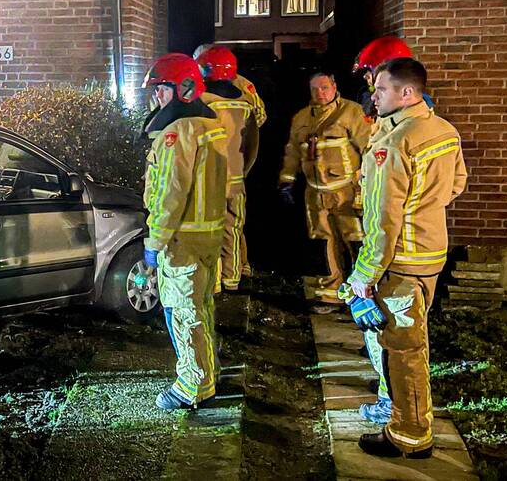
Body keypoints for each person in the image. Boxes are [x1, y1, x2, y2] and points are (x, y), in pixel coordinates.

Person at [349, 58, 467, 459]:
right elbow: (457, 184)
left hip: (401, 261)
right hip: (432, 254)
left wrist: (363, 277)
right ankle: (412, 425)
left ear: (406, 93)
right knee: (414, 345)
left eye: (380, 89)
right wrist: (426, 209)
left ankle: (409, 433)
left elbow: (384, 221)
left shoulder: (394, 143)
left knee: (402, 351)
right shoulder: (444, 131)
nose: (373, 96)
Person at [140, 53, 229, 410]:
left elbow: (169, 193)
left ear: (182, 89)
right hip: (208, 234)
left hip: (182, 240)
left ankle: (191, 385)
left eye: (162, 90)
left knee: (182, 312)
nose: (158, 98)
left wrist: (155, 240)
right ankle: (207, 374)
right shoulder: (212, 124)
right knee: (202, 308)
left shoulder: (177, 133)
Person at [278, 72, 371, 309]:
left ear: (334, 86)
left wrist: (366, 183)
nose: (321, 93)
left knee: (354, 239)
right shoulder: (301, 118)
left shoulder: (351, 112)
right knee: (322, 241)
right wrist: (286, 180)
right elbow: (293, 151)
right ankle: (330, 290)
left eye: (325, 87)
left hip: (346, 190)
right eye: (315, 89)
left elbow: (368, 148)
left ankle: (361, 290)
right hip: (315, 193)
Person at [194, 45, 260, 291]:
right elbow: (254, 139)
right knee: (233, 228)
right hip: (236, 177)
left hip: (209, 178)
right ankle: (233, 279)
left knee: (211, 229)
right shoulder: (245, 102)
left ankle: (215, 283)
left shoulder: (202, 101)